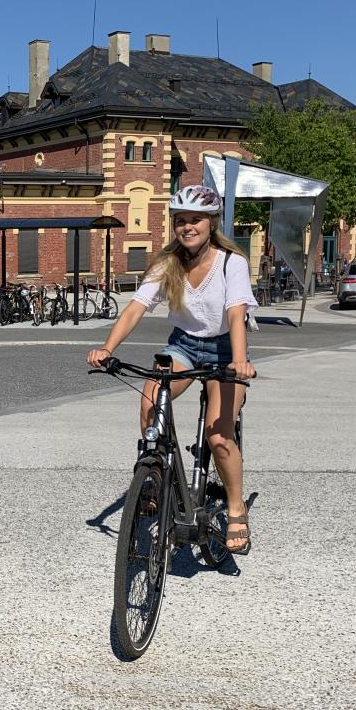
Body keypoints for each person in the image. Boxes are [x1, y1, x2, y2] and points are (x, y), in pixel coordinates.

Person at [87, 184, 257, 554]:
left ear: (211, 223)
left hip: (225, 347)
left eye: (195, 219)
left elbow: (236, 313)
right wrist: (107, 347)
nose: (187, 227)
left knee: (218, 434)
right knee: (150, 401)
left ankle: (235, 507)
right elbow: (137, 307)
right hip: (184, 344)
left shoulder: (232, 262)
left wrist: (239, 361)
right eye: (180, 220)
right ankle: (155, 475)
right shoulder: (168, 263)